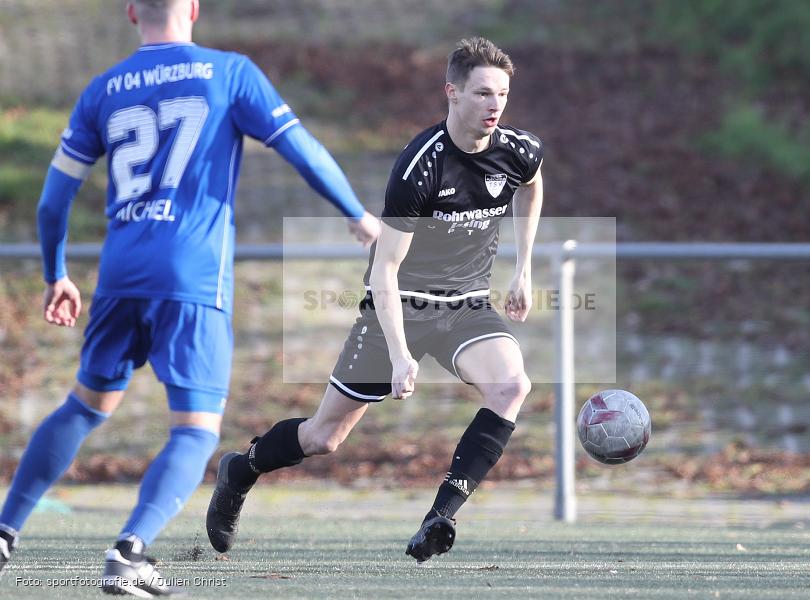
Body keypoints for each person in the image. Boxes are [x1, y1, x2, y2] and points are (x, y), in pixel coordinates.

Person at [0, 0, 379, 595]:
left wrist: (56, 274)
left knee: (85, 406)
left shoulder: (103, 88)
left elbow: (53, 202)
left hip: (119, 273)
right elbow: (300, 148)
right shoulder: (229, 73)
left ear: (132, 12)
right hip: (191, 276)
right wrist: (357, 214)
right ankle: (129, 553)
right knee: (197, 430)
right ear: (195, 8)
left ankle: (4, 531)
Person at [206, 36, 543, 563]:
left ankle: (439, 517)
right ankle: (241, 469)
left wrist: (523, 268)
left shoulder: (517, 149)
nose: (494, 105)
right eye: (482, 93)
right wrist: (401, 353)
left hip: (466, 304)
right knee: (323, 438)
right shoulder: (420, 168)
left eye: (501, 93)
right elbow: (384, 270)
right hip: (400, 305)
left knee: (511, 385)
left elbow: (532, 184)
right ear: (452, 92)